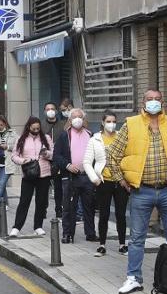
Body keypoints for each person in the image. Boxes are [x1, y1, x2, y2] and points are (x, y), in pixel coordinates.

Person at [105, 89, 167, 294]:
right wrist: (121, 180)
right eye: (150, 99)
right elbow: (112, 154)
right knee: (137, 237)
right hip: (141, 191)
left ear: (163, 102)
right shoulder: (131, 124)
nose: (154, 102)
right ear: (143, 102)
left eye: (157, 99)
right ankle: (133, 278)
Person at [84, 112, 129, 257]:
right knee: (104, 214)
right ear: (103, 122)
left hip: (121, 181)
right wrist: (95, 179)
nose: (111, 124)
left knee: (121, 214)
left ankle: (122, 244)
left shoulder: (122, 137)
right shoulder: (95, 139)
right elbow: (87, 162)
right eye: (108, 121)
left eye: (114, 121)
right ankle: (102, 244)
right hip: (104, 181)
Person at [53, 108, 97, 244]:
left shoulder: (90, 135)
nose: (77, 120)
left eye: (80, 117)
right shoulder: (64, 136)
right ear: (70, 120)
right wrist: (67, 165)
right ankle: (67, 234)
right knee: (69, 207)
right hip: (71, 177)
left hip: (87, 176)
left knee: (89, 206)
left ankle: (90, 233)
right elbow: (57, 156)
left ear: (84, 119)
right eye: (74, 117)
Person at [9, 117, 54, 237]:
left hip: (44, 174)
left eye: (38, 129)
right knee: (24, 201)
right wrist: (23, 160)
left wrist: (46, 154)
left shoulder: (46, 138)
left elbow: (53, 154)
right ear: (28, 127)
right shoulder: (21, 139)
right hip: (28, 174)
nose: (36, 130)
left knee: (41, 202)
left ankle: (38, 226)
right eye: (33, 128)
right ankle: (17, 227)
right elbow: (14, 156)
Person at [41, 101, 66, 217]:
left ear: (56, 111)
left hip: (58, 160)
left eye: (52, 109)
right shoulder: (41, 125)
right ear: (44, 112)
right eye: (48, 109)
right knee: (44, 186)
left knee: (58, 186)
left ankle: (58, 209)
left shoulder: (62, 125)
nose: (50, 111)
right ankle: (43, 208)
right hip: (44, 159)